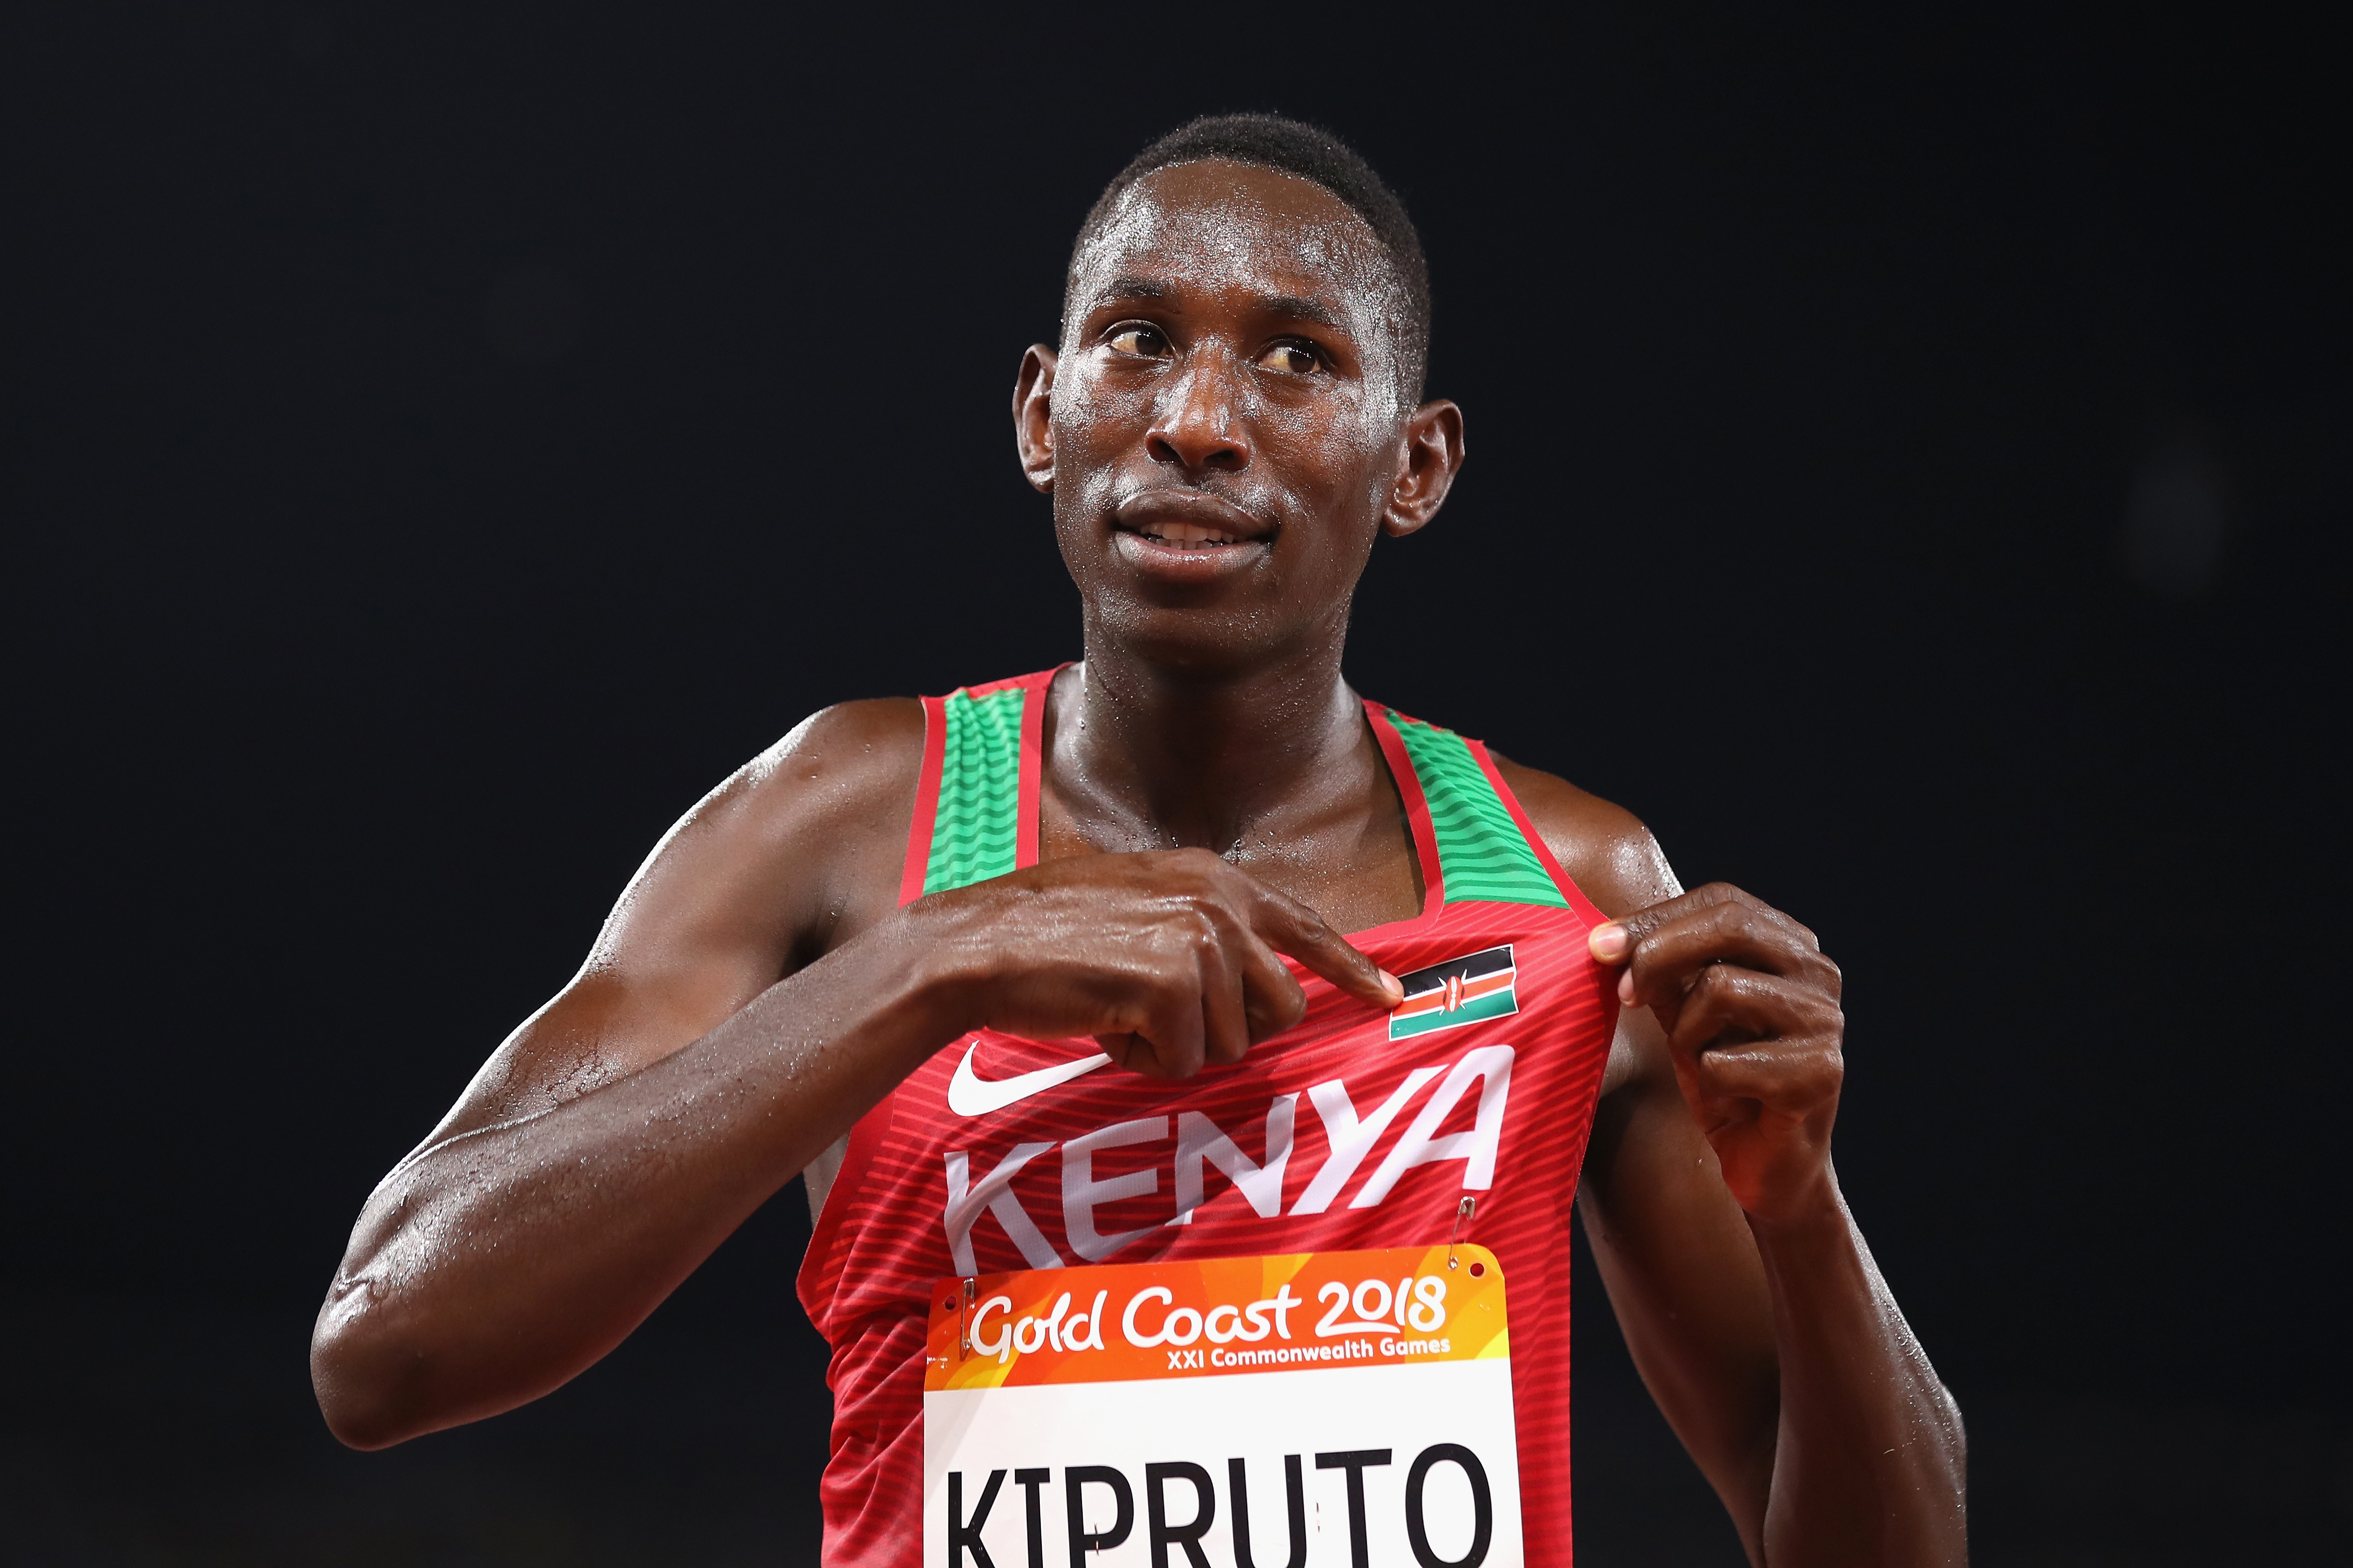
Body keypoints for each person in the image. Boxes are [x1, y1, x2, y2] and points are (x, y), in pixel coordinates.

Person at [312, 114, 1965, 1565]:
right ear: (1043, 414)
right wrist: (943, 956)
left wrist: (1800, 1211)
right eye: (1137, 339)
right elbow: (384, 1347)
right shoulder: (844, 814)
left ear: (1417, 464)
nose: (1197, 418)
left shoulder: (1572, 892)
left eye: (1296, 358)